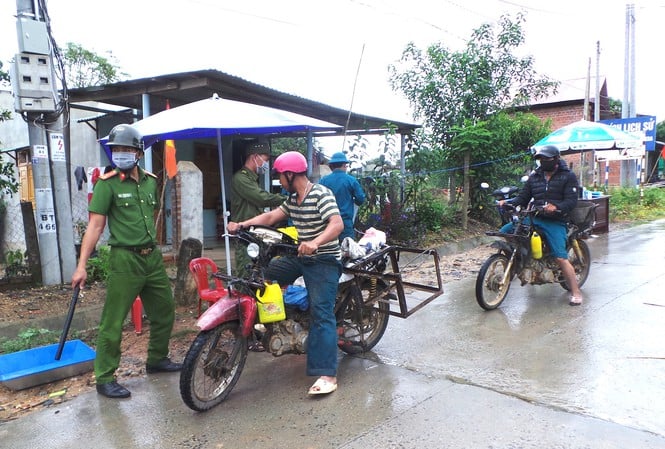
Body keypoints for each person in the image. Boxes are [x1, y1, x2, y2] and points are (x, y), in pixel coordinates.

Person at [71, 123, 181, 399]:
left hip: (151, 258)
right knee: (114, 320)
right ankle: (105, 377)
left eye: (125, 149)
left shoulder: (151, 181)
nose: (120, 154)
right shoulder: (106, 184)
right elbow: (95, 227)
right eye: (116, 149)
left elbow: (149, 217)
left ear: (138, 152)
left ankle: (157, 359)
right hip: (124, 260)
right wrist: (82, 265)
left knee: (165, 310)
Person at [226, 151, 344, 395]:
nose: (279, 180)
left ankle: (328, 374)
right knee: (261, 276)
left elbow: (337, 223)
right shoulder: (293, 200)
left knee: (321, 311)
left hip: (323, 259)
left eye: (281, 175)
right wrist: (243, 225)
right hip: (301, 257)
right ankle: (272, 324)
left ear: (291, 174)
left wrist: (316, 242)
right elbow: (271, 216)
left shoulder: (321, 194)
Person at [498, 144, 583, 306]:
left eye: (546, 159)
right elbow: (522, 198)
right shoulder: (535, 176)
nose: (543, 162)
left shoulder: (568, 176)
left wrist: (556, 207)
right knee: (505, 233)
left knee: (560, 257)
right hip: (535, 217)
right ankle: (515, 264)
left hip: (556, 220)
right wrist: (508, 203)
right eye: (540, 159)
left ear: (556, 159)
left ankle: (576, 292)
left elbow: (572, 201)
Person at [230, 141, 286, 275]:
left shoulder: (252, 179)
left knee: (257, 271)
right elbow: (261, 199)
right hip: (245, 232)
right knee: (246, 271)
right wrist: (286, 200)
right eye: (265, 160)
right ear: (255, 157)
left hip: (255, 232)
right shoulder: (240, 178)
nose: (265, 164)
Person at [319, 151, 366, 242]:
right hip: (345, 224)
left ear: (331, 166)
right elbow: (360, 200)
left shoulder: (323, 181)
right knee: (347, 251)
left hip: (326, 224)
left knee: (328, 251)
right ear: (344, 165)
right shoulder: (351, 180)